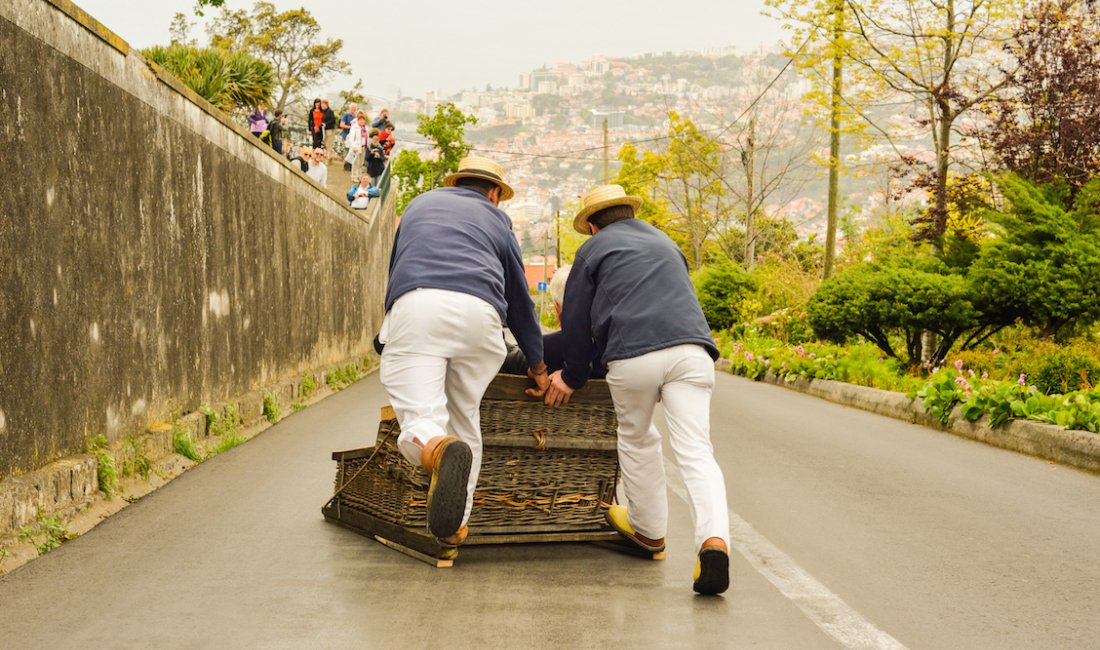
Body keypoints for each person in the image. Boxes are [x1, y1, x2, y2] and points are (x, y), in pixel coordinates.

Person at [543, 184, 730, 596]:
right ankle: (713, 541)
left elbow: (576, 322)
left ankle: (649, 532)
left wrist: (571, 377)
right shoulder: (665, 243)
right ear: (629, 212)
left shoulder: (592, 251)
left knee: (637, 437)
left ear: (592, 226)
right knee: (697, 451)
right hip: (693, 352)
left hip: (633, 356)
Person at [378, 156, 549, 547]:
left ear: (455, 183)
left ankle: (437, 448)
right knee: (464, 419)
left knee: (422, 419)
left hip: (418, 306)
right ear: (494, 193)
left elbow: (398, 271)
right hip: (482, 316)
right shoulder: (497, 221)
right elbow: (520, 299)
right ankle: (454, 528)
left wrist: (388, 332)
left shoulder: (418, 205)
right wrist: (537, 363)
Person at [346, 112, 370, 180]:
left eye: (363, 120)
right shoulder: (355, 127)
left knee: (361, 163)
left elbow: (367, 137)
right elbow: (351, 138)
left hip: (363, 147)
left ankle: (359, 176)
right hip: (356, 147)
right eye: (360, 120)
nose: (362, 121)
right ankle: (354, 176)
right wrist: (353, 146)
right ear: (358, 120)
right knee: (356, 163)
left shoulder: (365, 128)